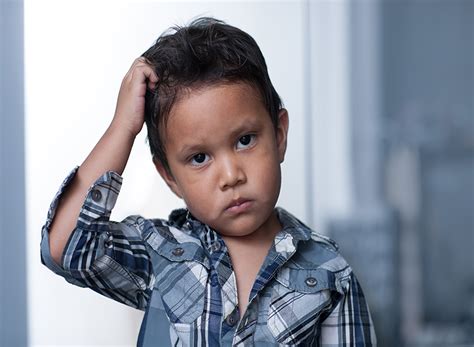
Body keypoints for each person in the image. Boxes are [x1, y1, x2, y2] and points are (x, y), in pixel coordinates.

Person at [40, 17, 377, 346]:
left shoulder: (329, 273)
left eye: (245, 140)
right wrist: (122, 128)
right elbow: (65, 249)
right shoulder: (161, 253)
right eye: (199, 158)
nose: (231, 176)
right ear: (170, 178)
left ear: (279, 135)